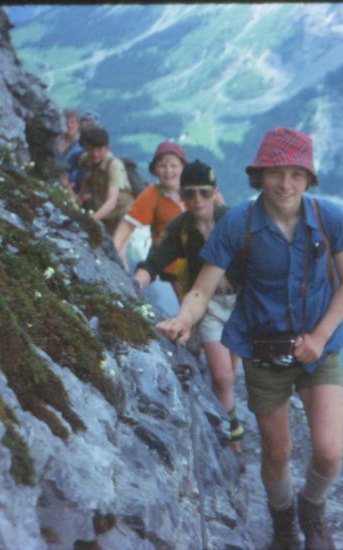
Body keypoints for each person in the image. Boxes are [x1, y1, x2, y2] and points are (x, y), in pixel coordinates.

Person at [156, 128, 343, 550]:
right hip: (265, 353)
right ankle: (283, 521)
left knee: (328, 453)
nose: (286, 184)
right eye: (275, 174)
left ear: (308, 178)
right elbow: (202, 288)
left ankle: (312, 510)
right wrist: (184, 319)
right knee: (278, 452)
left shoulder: (328, 218)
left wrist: (321, 337)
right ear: (259, 176)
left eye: (296, 174)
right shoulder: (238, 224)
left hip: (320, 351)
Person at [133, 160, 245, 447]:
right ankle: (234, 440)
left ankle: (227, 422)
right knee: (222, 376)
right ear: (181, 195)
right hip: (207, 306)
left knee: (229, 374)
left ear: (215, 192)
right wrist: (134, 285)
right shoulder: (179, 228)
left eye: (204, 192)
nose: (197, 200)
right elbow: (154, 260)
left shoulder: (233, 220)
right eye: (190, 193)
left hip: (241, 304)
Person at [113, 141, 187, 276]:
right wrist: (115, 260)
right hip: (171, 265)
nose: (168, 171)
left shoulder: (196, 189)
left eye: (174, 166)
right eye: (162, 166)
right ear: (155, 170)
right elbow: (126, 227)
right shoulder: (152, 194)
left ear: (183, 167)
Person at [77, 126, 134, 236]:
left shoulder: (114, 166)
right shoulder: (86, 159)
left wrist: (92, 219)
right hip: (103, 212)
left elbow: (112, 200)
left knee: (116, 246)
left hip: (121, 212)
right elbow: (86, 178)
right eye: (91, 149)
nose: (95, 154)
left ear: (108, 148)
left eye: (99, 149)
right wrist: (80, 199)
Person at [52, 108, 80, 196]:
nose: (69, 126)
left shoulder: (82, 143)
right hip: (59, 180)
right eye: (66, 123)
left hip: (77, 184)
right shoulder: (58, 141)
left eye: (72, 122)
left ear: (78, 124)